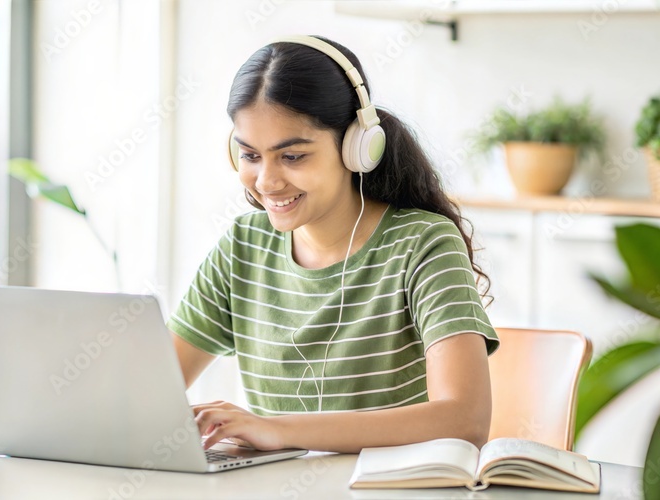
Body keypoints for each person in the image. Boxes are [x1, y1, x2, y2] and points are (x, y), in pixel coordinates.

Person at [166, 35, 500, 454]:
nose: (266, 182)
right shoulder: (243, 246)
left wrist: (278, 430)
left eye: (292, 157)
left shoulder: (422, 244)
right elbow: (146, 393)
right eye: (250, 155)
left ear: (357, 146)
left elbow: (464, 421)